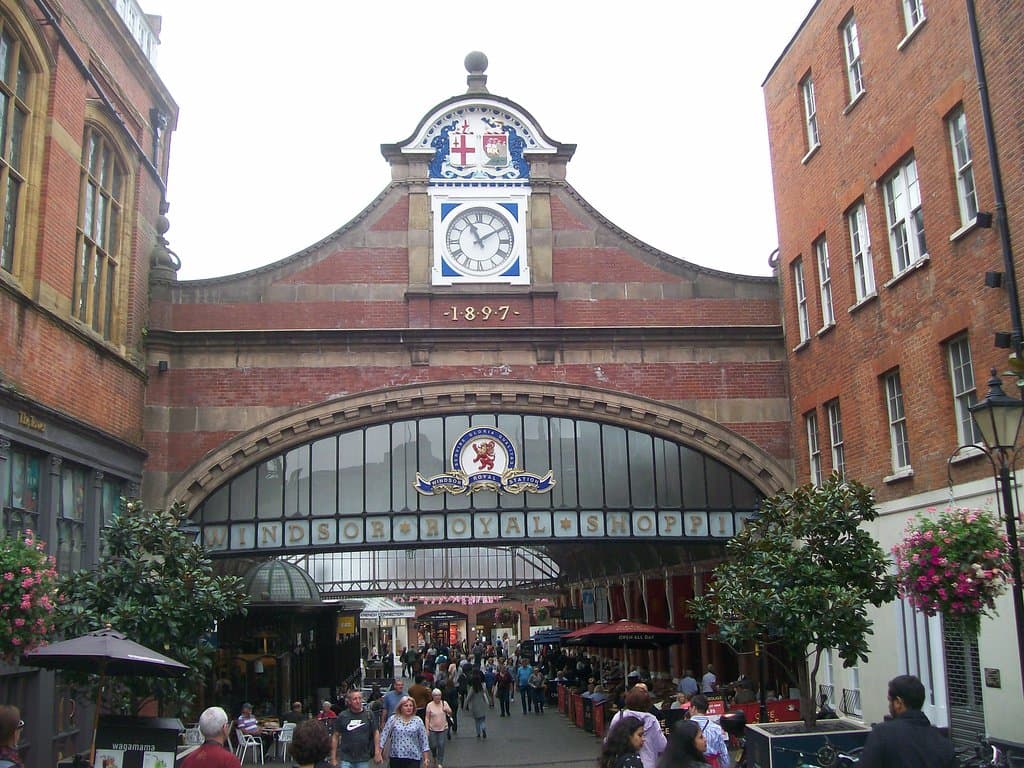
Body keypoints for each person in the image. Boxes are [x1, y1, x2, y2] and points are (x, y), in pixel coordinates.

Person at [859, 675, 957, 768]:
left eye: (890, 700)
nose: (889, 706)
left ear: (898, 702)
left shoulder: (882, 734)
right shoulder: (943, 743)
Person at [607, 686, 667, 768]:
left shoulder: (619, 716)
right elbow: (662, 745)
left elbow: (609, 740)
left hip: (623, 761)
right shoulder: (652, 720)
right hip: (648, 763)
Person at [335, 690, 382, 768]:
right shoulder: (343, 716)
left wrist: (377, 752)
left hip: (363, 758)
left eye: (360, 698)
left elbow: (376, 732)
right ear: (349, 701)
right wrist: (333, 757)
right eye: (355, 699)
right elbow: (335, 735)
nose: (358, 701)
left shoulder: (369, 714)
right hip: (346, 758)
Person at [380, 696, 430, 768]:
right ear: (401, 707)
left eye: (411, 706)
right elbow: (384, 735)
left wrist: (426, 758)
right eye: (406, 706)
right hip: (396, 756)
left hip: (413, 757)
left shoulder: (418, 721)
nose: (409, 708)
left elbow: (424, 740)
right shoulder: (393, 719)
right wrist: (379, 752)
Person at [688, 695, 729, 768]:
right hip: (712, 764)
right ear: (707, 709)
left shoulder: (684, 727)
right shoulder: (716, 728)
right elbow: (723, 753)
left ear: (693, 708)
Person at [424, 689, 453, 768]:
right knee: (433, 745)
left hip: (443, 728)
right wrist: (427, 729)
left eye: (439, 695)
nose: (438, 697)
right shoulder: (429, 705)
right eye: (436, 695)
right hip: (432, 728)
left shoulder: (444, 703)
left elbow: (450, 712)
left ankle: (440, 762)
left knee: (441, 745)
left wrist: (448, 710)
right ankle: (434, 755)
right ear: (433, 696)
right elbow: (427, 718)